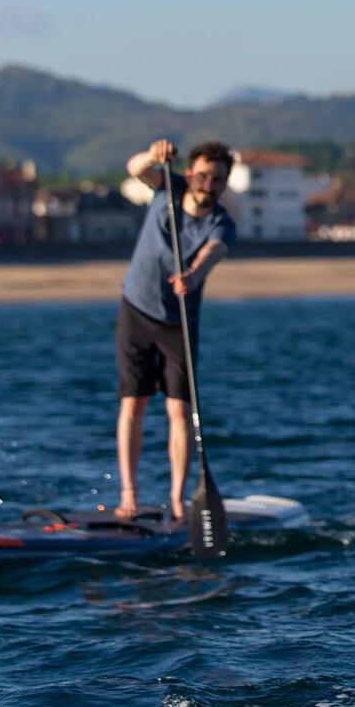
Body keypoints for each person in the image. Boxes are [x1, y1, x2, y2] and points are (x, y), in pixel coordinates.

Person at [113, 139, 236, 521]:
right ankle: (129, 494)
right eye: (202, 176)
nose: (208, 184)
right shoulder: (168, 188)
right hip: (136, 308)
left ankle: (179, 498)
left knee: (179, 410)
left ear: (224, 183)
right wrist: (152, 155)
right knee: (134, 403)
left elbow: (213, 250)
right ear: (190, 174)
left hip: (178, 320)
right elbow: (134, 168)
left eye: (217, 179)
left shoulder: (221, 223)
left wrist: (195, 274)